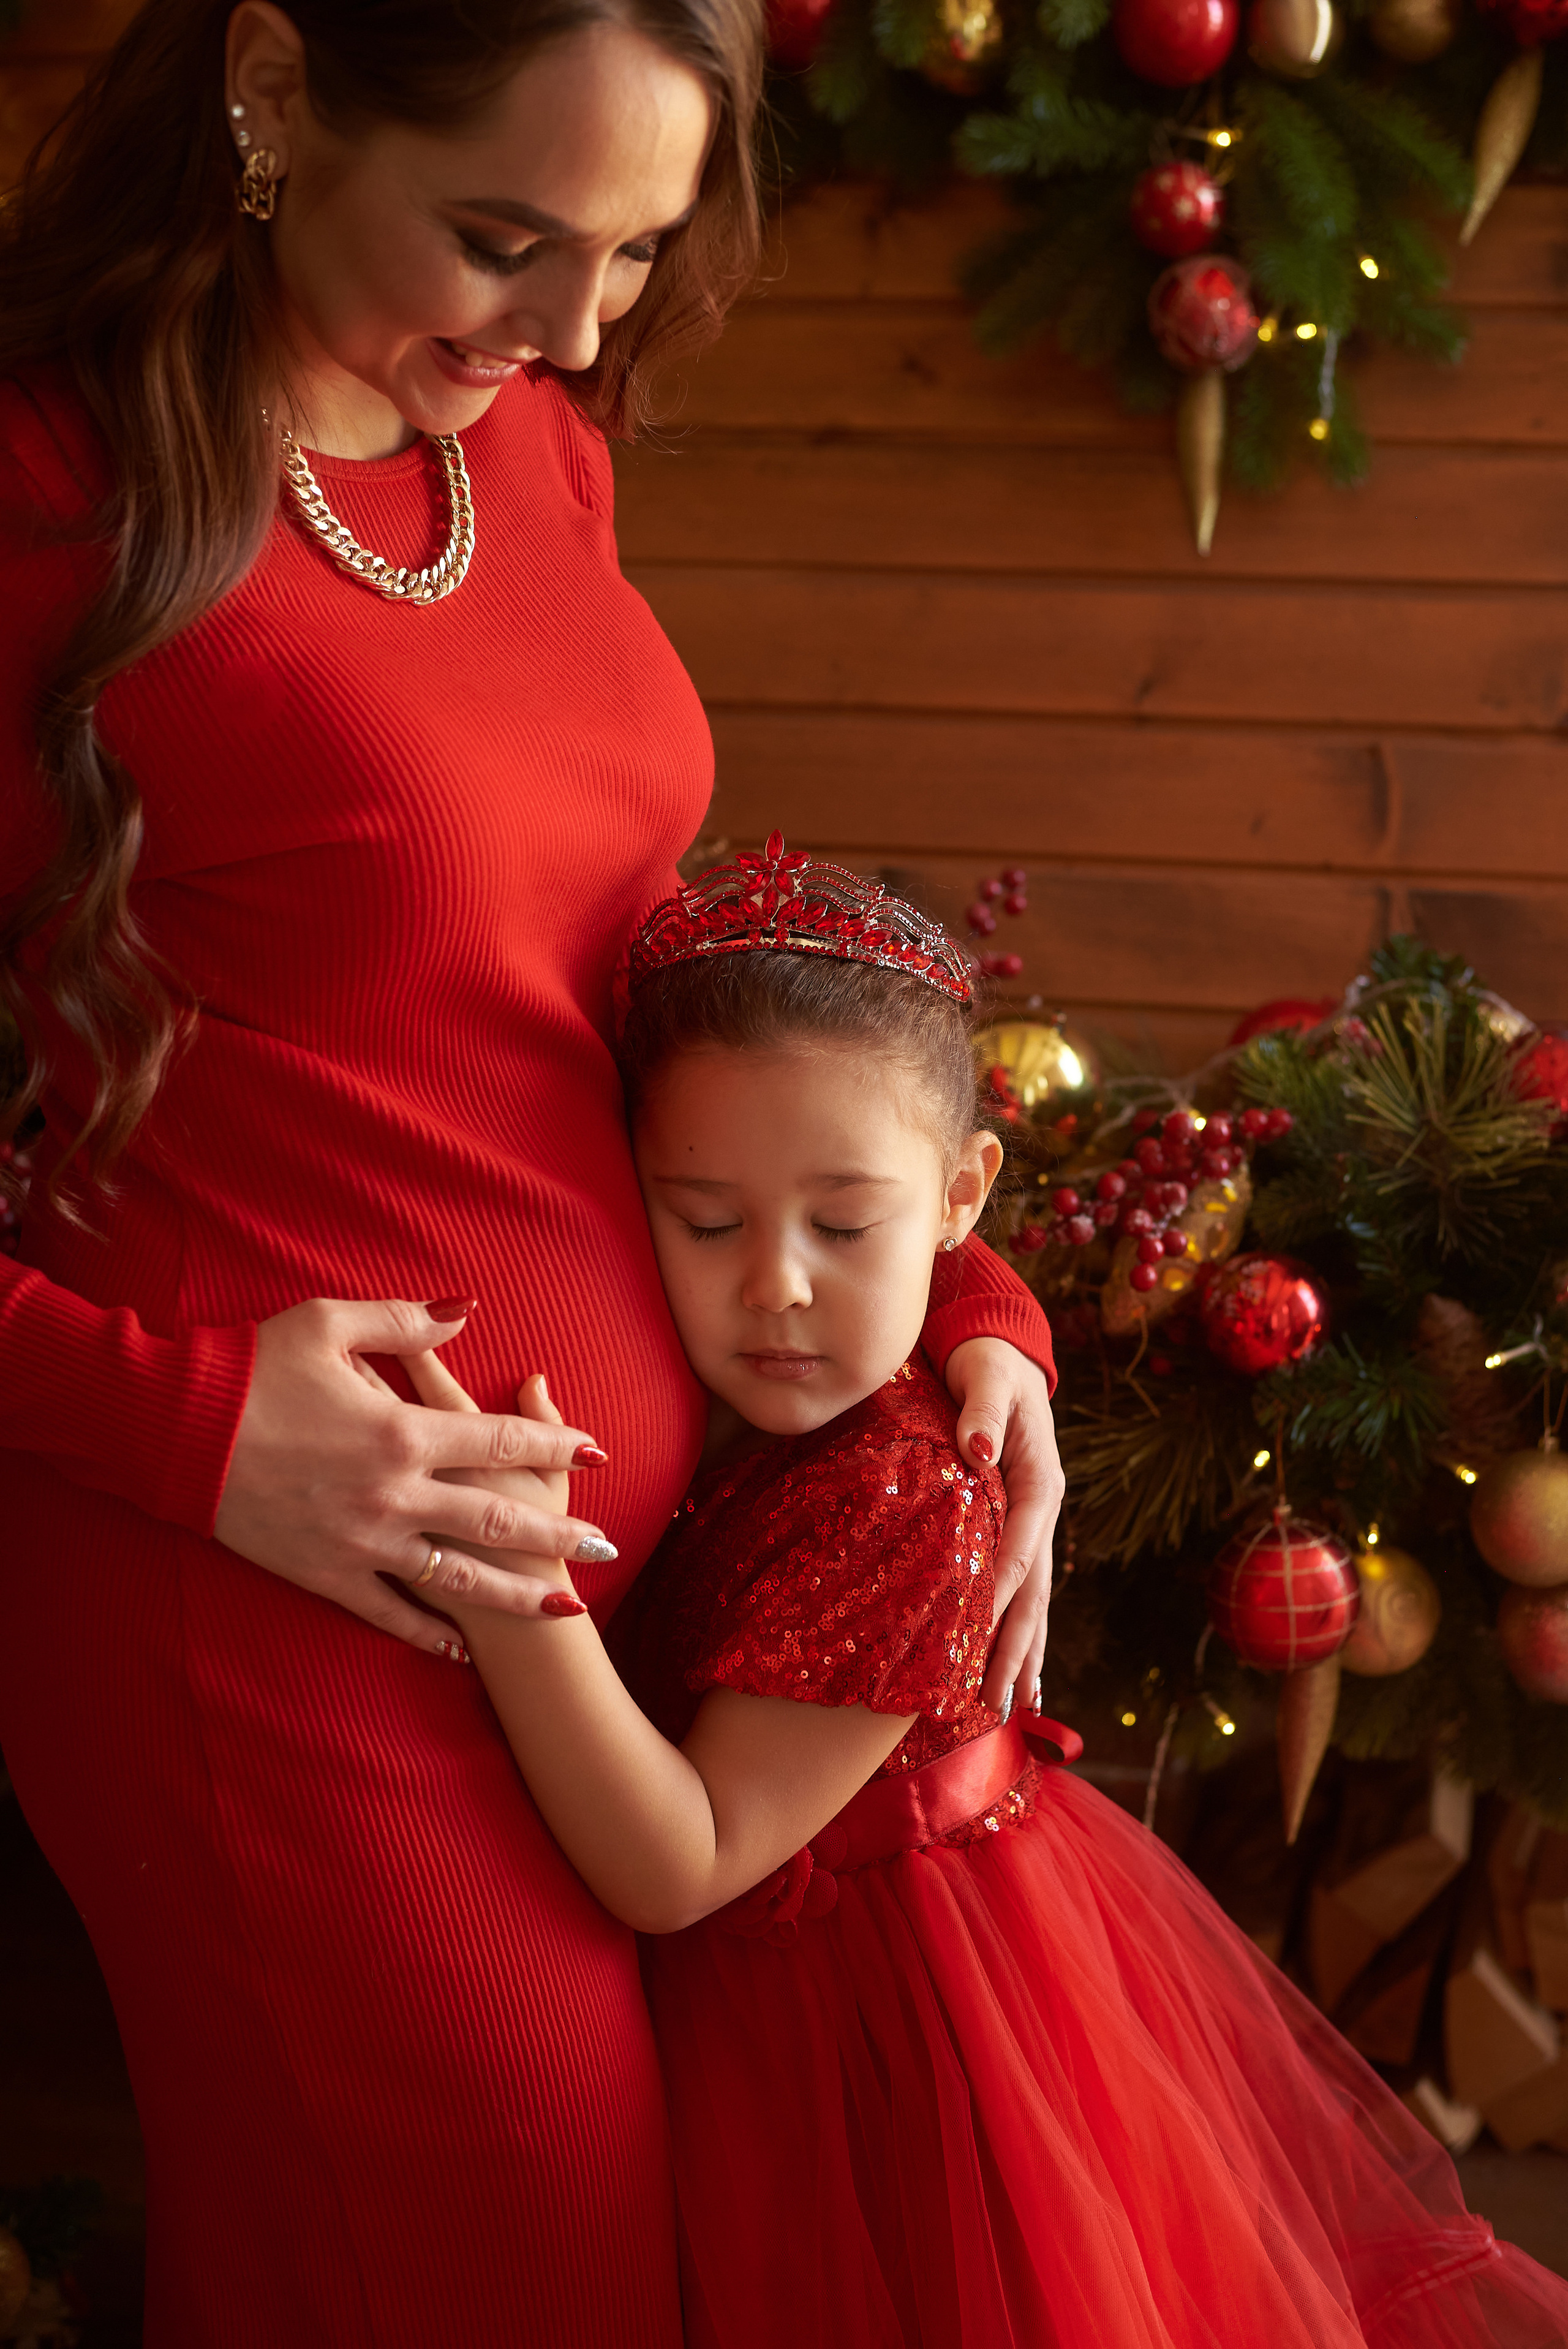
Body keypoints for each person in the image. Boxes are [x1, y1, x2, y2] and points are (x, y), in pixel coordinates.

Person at [0, 5, 1063, 2341]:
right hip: (268, 1601)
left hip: (580, 1615)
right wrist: (191, 1425)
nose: (578, 330)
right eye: (505, 237)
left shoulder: (522, 449)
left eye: (635, 251)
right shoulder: (46, 484)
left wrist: (968, 1308)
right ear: (276, 89)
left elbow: (656, 986)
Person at [413, 838, 1568, 2349]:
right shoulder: (784, 1400)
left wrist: (517, 1588)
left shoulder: (902, 1489)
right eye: (703, 1220)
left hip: (895, 2039)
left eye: (843, 1227)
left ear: (961, 1195)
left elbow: (676, 1864)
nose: (775, 1285)